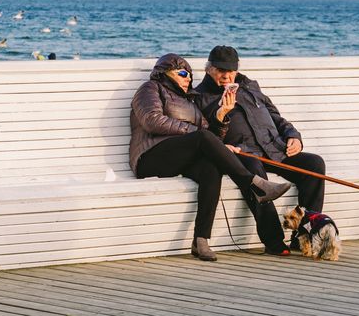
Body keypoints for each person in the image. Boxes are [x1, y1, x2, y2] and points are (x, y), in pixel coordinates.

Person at [130, 53, 291, 261]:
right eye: (182, 73)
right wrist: (197, 133)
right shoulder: (150, 88)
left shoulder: (189, 101)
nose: (188, 77)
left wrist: (223, 116)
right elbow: (152, 120)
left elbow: (210, 135)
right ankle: (254, 184)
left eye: (189, 74)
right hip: (151, 155)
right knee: (203, 139)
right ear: (165, 73)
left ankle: (201, 240)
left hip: (181, 156)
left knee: (213, 168)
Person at [195, 45, 327, 256]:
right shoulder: (200, 97)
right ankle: (273, 241)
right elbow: (207, 136)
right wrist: (222, 114)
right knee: (255, 173)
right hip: (244, 154)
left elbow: (275, 116)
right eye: (221, 70)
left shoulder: (249, 86)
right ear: (208, 69)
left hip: (273, 149)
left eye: (231, 71)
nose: (226, 76)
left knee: (314, 164)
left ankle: (304, 236)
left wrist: (293, 135)